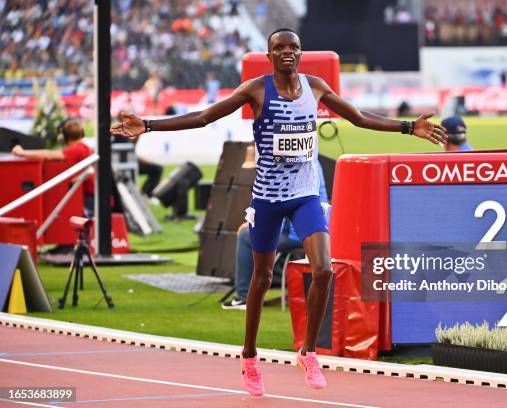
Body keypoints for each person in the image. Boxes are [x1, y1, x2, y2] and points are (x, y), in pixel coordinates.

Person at [111, 28, 447, 396]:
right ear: (269, 56)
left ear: (300, 53)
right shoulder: (256, 90)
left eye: (294, 47)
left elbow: (359, 117)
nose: (288, 52)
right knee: (261, 277)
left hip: (304, 196)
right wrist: (147, 125)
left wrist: (407, 127)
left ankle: (308, 351)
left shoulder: (315, 86)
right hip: (268, 199)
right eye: (279, 48)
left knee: (323, 269)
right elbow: (206, 117)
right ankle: (250, 356)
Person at [223, 160, 329, 310]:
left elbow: (284, 205)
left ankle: (242, 296)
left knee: (245, 236)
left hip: (295, 232)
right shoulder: (313, 162)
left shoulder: (293, 168)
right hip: (319, 229)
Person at [12, 118, 95, 217]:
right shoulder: (83, 148)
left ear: (64, 136)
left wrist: (22, 153)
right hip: (89, 196)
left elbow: (49, 155)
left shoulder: (77, 149)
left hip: (89, 199)